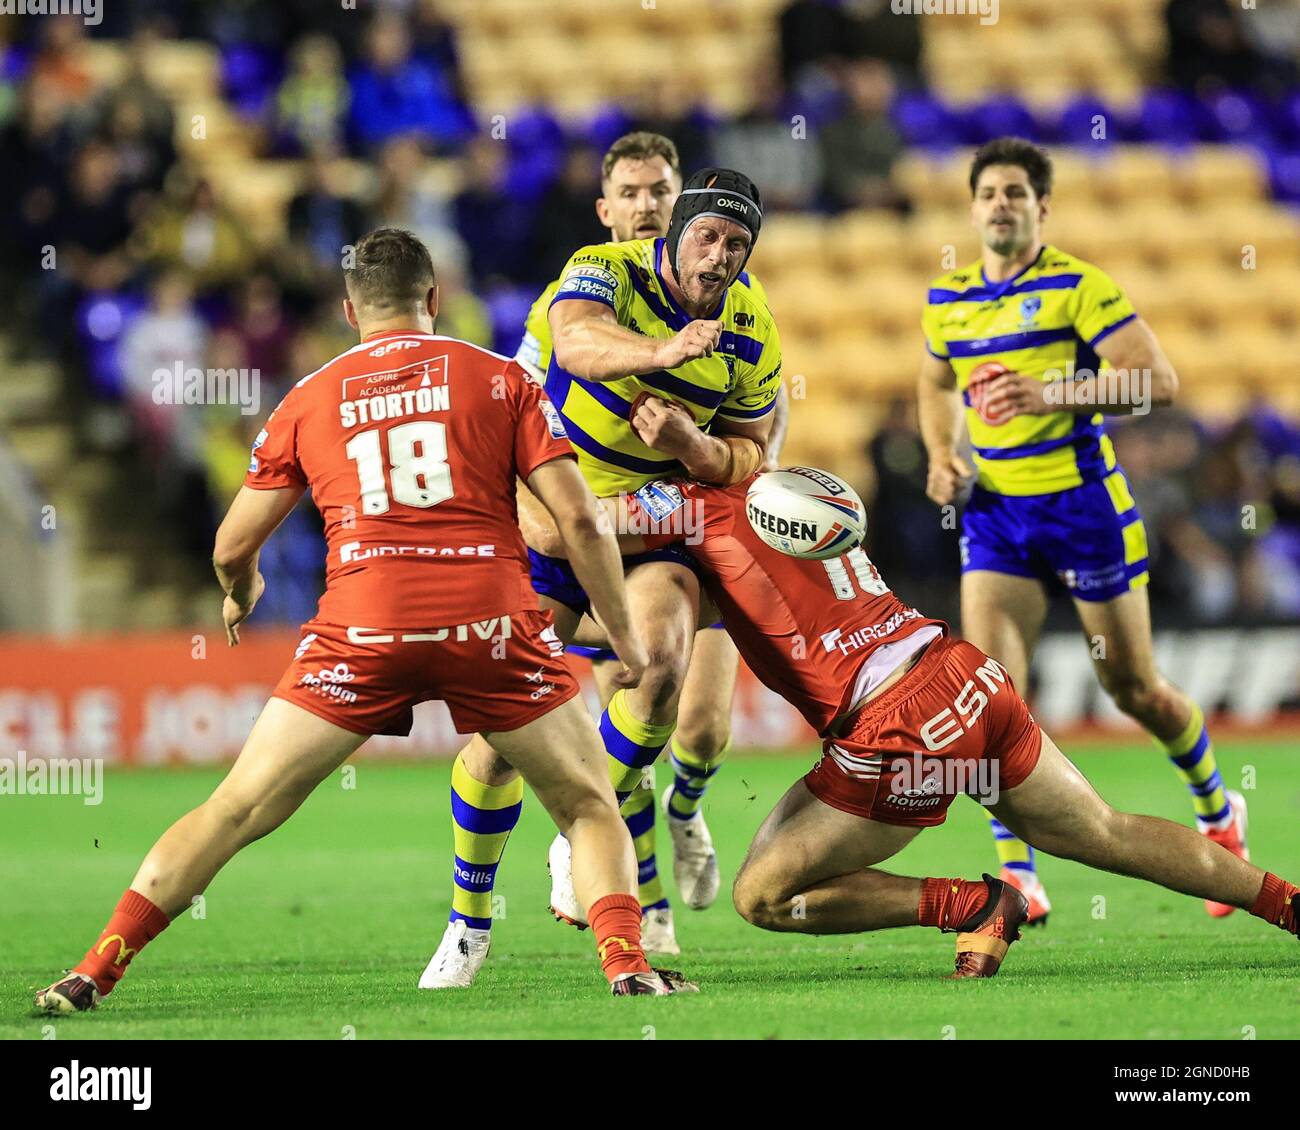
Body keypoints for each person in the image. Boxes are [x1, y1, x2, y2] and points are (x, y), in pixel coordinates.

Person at [35, 229, 695, 1013]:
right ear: (435, 299)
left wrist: (239, 589)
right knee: (586, 803)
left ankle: (95, 970)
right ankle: (626, 966)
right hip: (488, 624)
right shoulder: (500, 380)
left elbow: (232, 542)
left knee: (235, 808)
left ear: (350, 310)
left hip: (363, 628)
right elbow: (580, 522)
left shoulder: (309, 396)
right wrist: (619, 630)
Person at [542, 468, 1300, 977]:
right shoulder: (781, 488)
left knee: (764, 897)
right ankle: (1285, 903)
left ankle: (975, 903)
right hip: (963, 677)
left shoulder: (687, 508)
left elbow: (569, 526)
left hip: (895, 727)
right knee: (1105, 829)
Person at [421, 150, 786, 988]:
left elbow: (752, 451)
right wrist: (663, 353)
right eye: (708, 236)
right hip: (558, 514)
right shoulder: (598, 270)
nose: (719, 257)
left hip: (652, 528)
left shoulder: (753, 323)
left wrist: (694, 446)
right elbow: (579, 345)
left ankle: (581, 835)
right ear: (672, 231)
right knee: (503, 739)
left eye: (737, 245)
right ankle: (469, 922)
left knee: (669, 679)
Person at [916, 137, 1246, 924]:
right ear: (972, 208)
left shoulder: (1078, 286)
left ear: (1042, 207)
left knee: (1132, 688)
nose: (1001, 204)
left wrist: (1050, 392)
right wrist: (940, 454)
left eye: (1016, 194)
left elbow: (1156, 383)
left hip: (1083, 507)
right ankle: (1019, 873)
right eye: (989, 193)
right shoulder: (948, 298)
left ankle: (1215, 805)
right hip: (998, 514)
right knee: (991, 696)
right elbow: (934, 381)